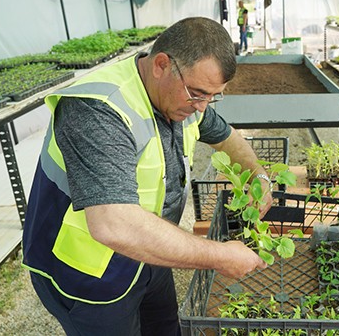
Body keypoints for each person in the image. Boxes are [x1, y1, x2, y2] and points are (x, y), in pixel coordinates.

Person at [22, 17, 272, 335]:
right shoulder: (98, 109)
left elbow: (226, 137)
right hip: (88, 276)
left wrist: (258, 176)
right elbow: (114, 224)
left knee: (165, 327)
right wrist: (220, 256)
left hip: (149, 252)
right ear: (161, 65)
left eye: (213, 96)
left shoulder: (184, 98)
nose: (202, 107)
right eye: (197, 93)